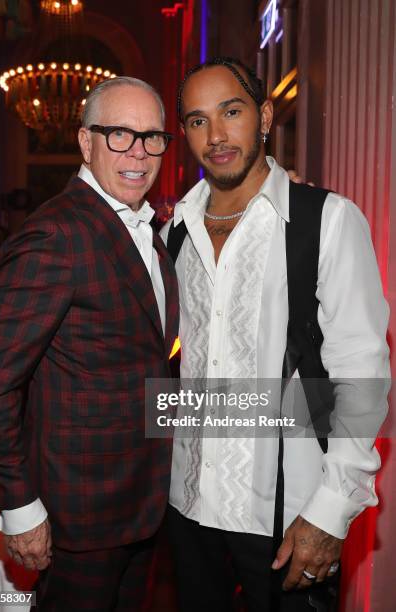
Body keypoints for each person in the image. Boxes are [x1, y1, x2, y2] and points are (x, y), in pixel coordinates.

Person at [161, 57, 389, 611]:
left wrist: (332, 511)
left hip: (289, 517)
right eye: (196, 120)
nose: (215, 136)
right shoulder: (174, 233)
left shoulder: (327, 220)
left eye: (231, 112)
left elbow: (362, 371)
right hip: (186, 508)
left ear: (264, 117)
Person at [0, 77, 179, 612]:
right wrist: (18, 505)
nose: (139, 152)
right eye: (120, 135)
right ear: (86, 143)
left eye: (152, 137)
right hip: (76, 515)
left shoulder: (148, 232)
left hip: (141, 506)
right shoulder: (57, 234)